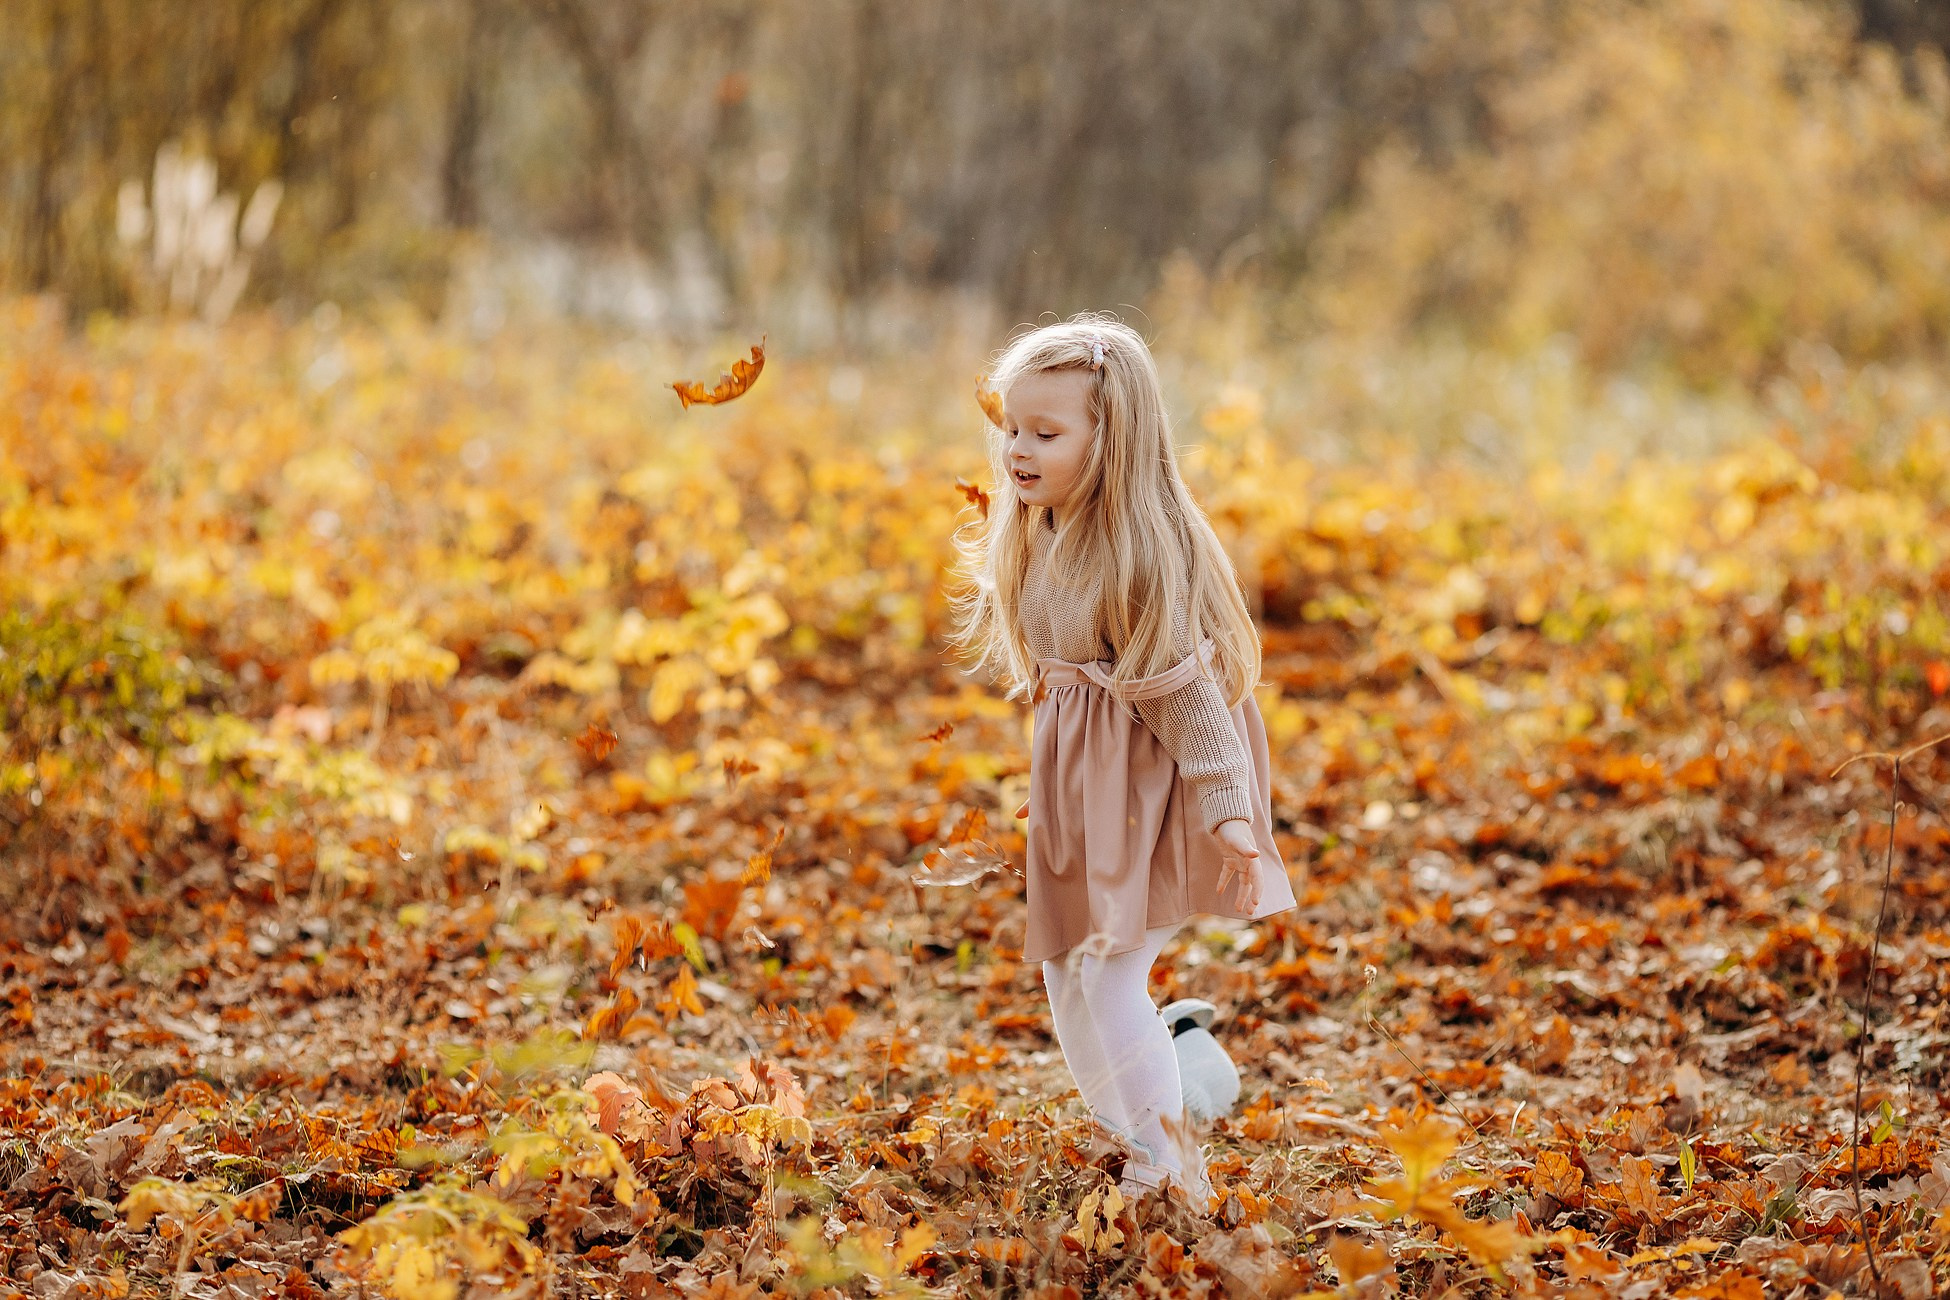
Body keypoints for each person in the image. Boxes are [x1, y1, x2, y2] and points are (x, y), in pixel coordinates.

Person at [949, 313, 1300, 1205]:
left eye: (1046, 433)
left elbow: (1185, 696)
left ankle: (1166, 1160)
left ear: (1111, 440)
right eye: (1013, 431)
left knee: (1108, 966)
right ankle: (1164, 1091)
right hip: (1090, 783)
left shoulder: (1139, 551)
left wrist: (1229, 806)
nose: (1019, 451)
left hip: (1163, 777)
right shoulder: (1043, 530)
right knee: (1067, 965)